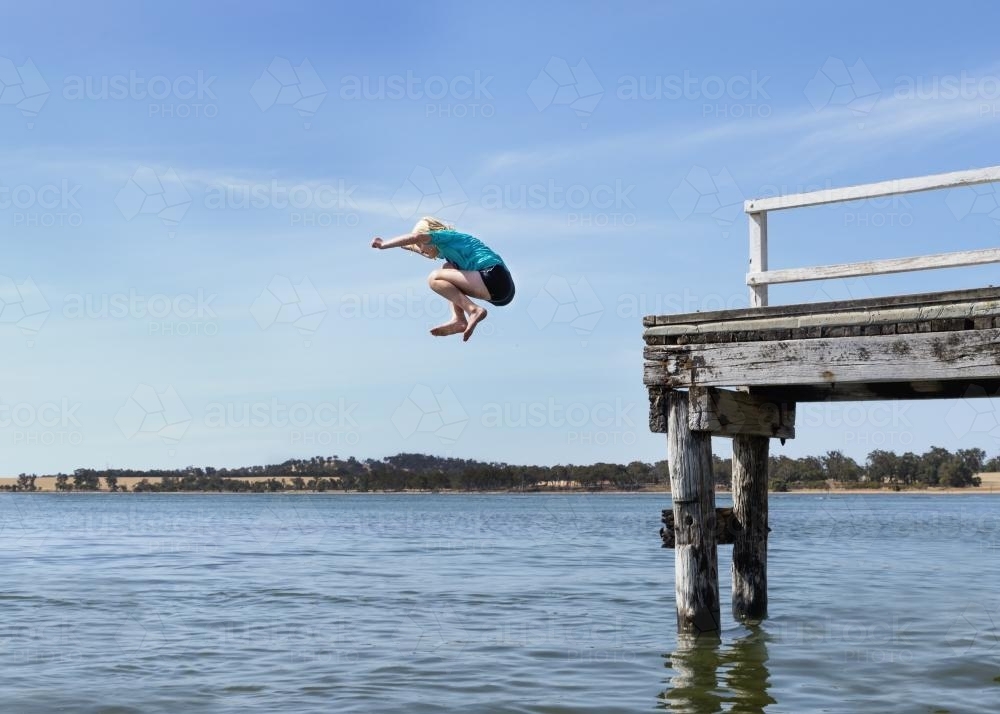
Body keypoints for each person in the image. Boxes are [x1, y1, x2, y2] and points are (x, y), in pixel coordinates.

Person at [370, 217, 514, 341]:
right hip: (501, 294)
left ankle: (473, 310)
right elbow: (415, 244)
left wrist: (384, 245)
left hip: (494, 276)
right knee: (448, 267)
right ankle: (459, 319)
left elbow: (415, 238)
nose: (421, 250)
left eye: (421, 245)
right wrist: (404, 245)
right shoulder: (446, 248)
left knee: (434, 278)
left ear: (428, 236)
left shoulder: (445, 236)